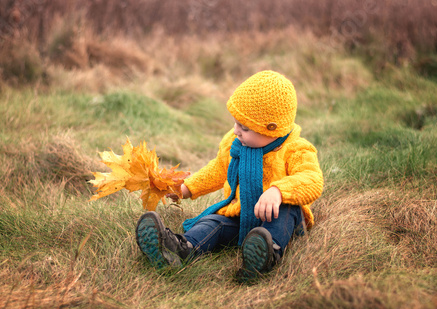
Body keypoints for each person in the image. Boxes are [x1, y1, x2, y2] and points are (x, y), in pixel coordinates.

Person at [135, 70, 324, 282]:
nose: (236, 131)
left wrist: (278, 191)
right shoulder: (235, 144)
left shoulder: (296, 149)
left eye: (244, 127)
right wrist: (186, 188)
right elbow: (218, 170)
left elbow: (312, 179)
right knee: (213, 223)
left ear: (272, 130)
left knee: (287, 210)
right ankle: (180, 248)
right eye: (235, 123)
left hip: (278, 218)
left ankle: (266, 254)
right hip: (242, 217)